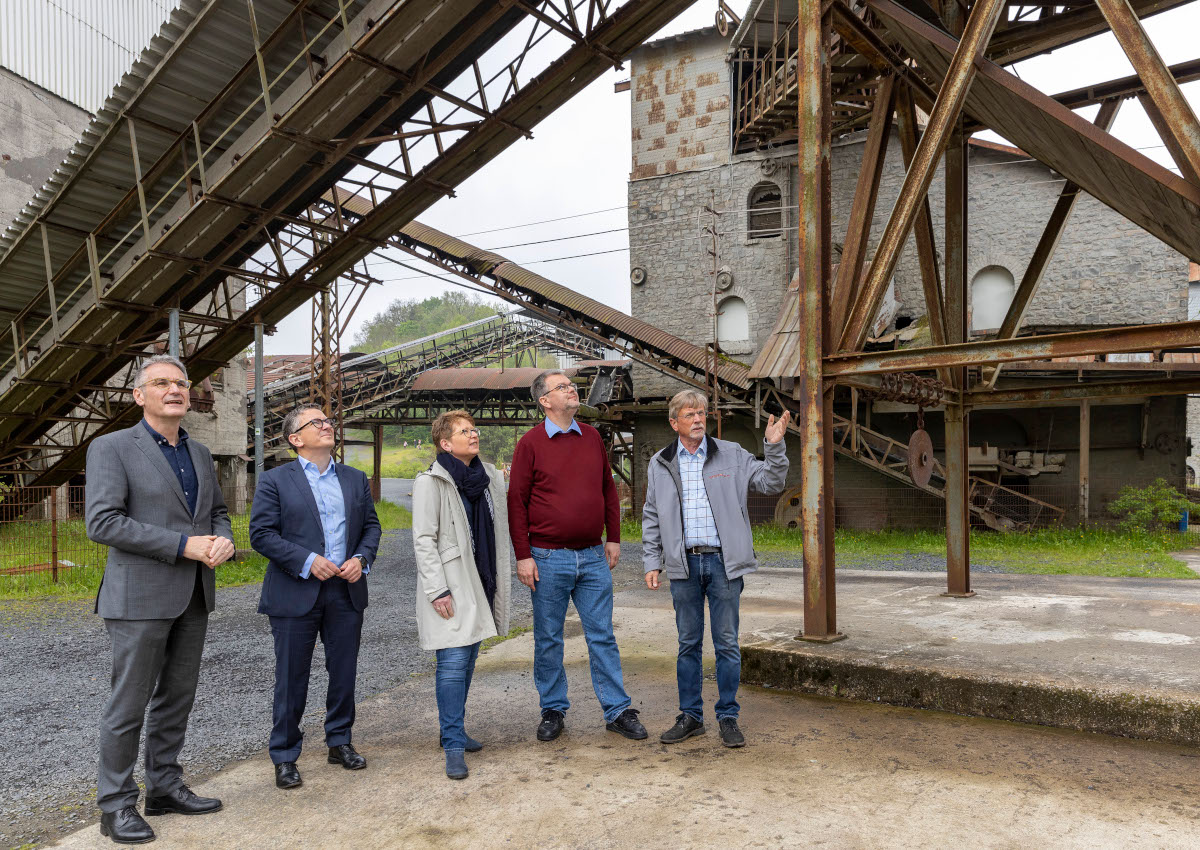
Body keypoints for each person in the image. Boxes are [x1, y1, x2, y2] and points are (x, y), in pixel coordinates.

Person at [85, 354, 234, 845]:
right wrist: (182, 545)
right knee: (128, 704)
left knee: (177, 699)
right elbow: (102, 522)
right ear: (139, 395)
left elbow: (215, 512)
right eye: (162, 383)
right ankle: (116, 805)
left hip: (193, 594)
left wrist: (222, 539)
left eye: (181, 383)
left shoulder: (199, 452)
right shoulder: (112, 448)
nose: (174, 390)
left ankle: (165, 788)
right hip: (139, 596)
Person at [642, 390, 790, 748]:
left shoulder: (732, 454)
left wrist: (774, 447)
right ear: (674, 422)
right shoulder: (661, 463)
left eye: (702, 413)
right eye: (690, 414)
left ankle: (728, 717)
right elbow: (651, 515)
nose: (698, 419)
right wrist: (652, 560)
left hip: (724, 564)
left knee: (726, 644)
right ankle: (691, 716)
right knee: (688, 644)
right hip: (684, 566)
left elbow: (771, 482)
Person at [507, 370, 646, 742]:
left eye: (572, 385)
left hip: (592, 556)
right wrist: (523, 555)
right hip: (547, 557)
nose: (573, 389)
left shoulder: (591, 439)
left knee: (602, 635)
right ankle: (553, 709)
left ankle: (617, 710)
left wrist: (613, 537)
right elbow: (516, 502)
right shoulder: (530, 444)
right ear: (545, 400)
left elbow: (608, 489)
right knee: (549, 637)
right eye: (563, 387)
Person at [249, 405, 381, 790]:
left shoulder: (355, 479)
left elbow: (371, 527)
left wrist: (361, 558)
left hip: (346, 589)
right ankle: (285, 756)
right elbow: (262, 534)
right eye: (316, 423)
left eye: (328, 420)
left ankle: (339, 741)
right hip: (295, 591)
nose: (327, 425)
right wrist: (307, 561)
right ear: (295, 439)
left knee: (343, 673)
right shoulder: (275, 480)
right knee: (292, 677)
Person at [412, 410, 511, 780]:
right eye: (465, 431)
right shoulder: (431, 481)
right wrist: (437, 589)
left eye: (474, 429)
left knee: (468, 660)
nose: (474, 434)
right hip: (451, 584)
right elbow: (424, 540)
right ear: (445, 443)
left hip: (481, 579)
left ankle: (453, 730)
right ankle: (453, 744)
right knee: (453, 665)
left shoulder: (487, 478)